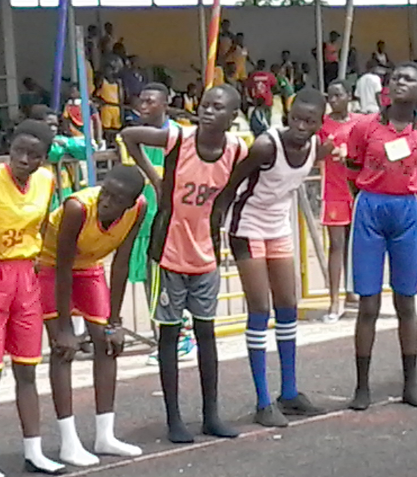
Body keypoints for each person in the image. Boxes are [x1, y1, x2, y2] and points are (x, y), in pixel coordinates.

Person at [120, 84, 246, 444]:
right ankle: (174, 417)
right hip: (169, 252)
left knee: (207, 335)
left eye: (217, 107)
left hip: (205, 253)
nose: (208, 112)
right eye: (205, 105)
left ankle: (211, 414)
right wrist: (155, 178)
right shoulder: (178, 139)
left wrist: (223, 207)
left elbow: (243, 177)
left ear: (231, 117)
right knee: (170, 336)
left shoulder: (236, 149)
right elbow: (129, 135)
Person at [213, 89, 327, 427]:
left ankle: (289, 392)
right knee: (260, 308)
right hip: (246, 226)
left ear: (320, 123)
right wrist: (215, 223)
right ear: (287, 115)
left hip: (278, 226)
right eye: (297, 119)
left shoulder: (316, 148)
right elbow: (231, 186)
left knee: (288, 305)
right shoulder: (266, 145)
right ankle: (263, 400)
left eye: (310, 121)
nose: (302, 127)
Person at [0, 120, 65, 477]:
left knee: (27, 369)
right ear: (10, 148)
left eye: (33, 155)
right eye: (18, 151)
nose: (24, 159)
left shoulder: (48, 181)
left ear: (43, 158)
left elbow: (44, 225)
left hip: (27, 277)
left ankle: (34, 451)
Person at [345, 63, 417, 411]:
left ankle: (410, 384)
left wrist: (408, 198)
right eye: (396, 78)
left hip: (406, 211)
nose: (400, 83)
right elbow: (351, 170)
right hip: (370, 209)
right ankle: (362, 387)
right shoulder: (365, 126)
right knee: (368, 302)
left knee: (406, 301)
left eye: (409, 79)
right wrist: (371, 195)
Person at [41, 165, 147, 465]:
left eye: (116, 198)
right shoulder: (77, 208)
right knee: (63, 350)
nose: (106, 202)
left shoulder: (138, 208)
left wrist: (116, 322)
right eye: (105, 193)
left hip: (90, 266)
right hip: (50, 267)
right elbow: (62, 266)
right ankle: (68, 441)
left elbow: (122, 262)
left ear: (130, 203)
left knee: (107, 343)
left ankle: (105, 435)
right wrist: (64, 327)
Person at [116, 83, 198, 365]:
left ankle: (181, 339)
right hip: (145, 218)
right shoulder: (134, 138)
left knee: (169, 282)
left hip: (172, 221)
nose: (144, 105)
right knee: (153, 283)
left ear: (165, 104)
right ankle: (165, 340)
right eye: (142, 100)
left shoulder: (178, 134)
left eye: (151, 101)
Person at [318, 80, 362, 322]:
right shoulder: (323, 125)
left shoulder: (360, 122)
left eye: (337, 95)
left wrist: (351, 154)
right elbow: (315, 153)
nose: (333, 100)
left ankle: (353, 291)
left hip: (358, 190)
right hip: (334, 190)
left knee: (357, 244)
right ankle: (334, 301)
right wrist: (329, 148)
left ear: (349, 96)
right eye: (330, 96)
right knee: (337, 245)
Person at [95, 57, 125, 141]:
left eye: (110, 70)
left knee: (116, 129)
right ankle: (107, 143)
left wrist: (121, 109)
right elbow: (96, 94)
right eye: (106, 70)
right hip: (106, 106)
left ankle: (114, 144)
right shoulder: (102, 81)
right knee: (106, 129)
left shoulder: (118, 82)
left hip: (116, 107)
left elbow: (121, 97)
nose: (108, 72)